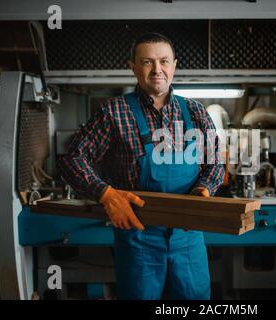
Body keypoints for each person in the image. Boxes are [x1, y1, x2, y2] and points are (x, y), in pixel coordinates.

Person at [57, 33, 225, 300]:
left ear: (174, 65)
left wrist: (204, 191)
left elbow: (215, 162)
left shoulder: (195, 111)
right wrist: (106, 194)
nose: (157, 69)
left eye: (164, 61)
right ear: (133, 67)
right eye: (147, 62)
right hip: (138, 239)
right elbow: (71, 159)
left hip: (188, 238)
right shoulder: (114, 112)